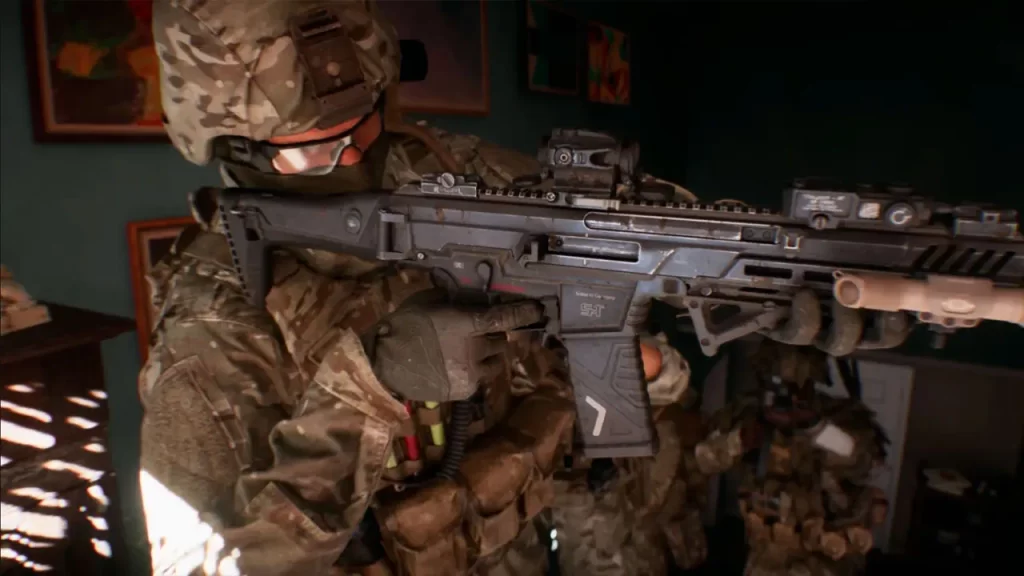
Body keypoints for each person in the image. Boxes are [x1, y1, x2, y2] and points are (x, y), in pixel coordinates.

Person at [142, 1, 702, 575]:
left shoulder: (450, 169)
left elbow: (629, 235)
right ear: (233, 146)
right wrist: (370, 384)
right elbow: (197, 566)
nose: (354, 157)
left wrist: (641, 350)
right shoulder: (212, 322)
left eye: (366, 125)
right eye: (313, 151)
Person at [692, 340, 890, 576]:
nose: (786, 395)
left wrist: (814, 426)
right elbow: (704, 460)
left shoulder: (838, 416)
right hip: (765, 554)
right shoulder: (748, 412)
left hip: (820, 557)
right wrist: (740, 440)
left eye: (798, 386)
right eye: (776, 383)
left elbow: (860, 458)